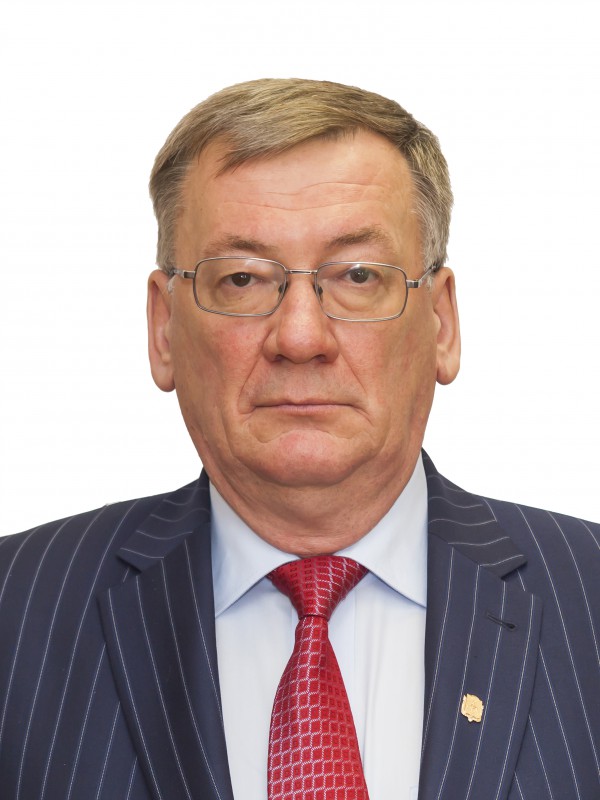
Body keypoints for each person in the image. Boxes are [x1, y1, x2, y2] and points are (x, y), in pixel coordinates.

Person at [0, 78, 598, 800]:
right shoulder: (17, 609)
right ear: (163, 329)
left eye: (358, 276)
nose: (301, 337)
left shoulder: (586, 593)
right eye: (242, 280)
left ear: (441, 323)